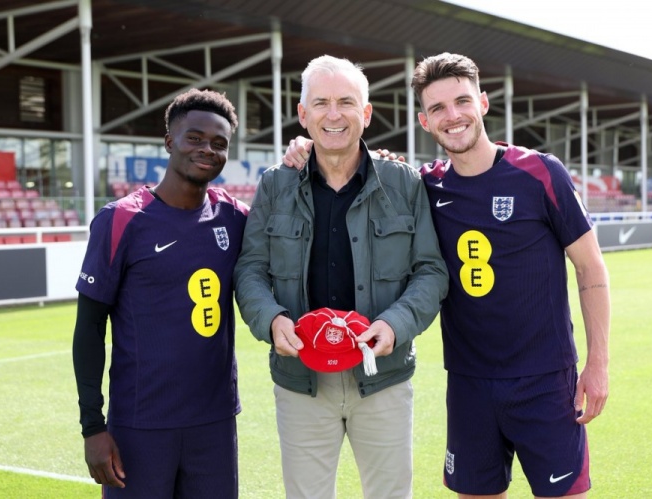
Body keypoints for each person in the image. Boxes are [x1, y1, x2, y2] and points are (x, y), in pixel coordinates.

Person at [283, 52, 611, 499]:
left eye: (462, 101)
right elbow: (365, 168)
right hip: (469, 384)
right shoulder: (424, 186)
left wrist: (598, 364)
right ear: (424, 121)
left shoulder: (539, 173)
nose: (452, 116)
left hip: (545, 380)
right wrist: (305, 148)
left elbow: (590, 268)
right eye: (437, 108)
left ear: (483, 103)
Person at [234, 55, 448, 499]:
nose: (334, 115)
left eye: (346, 102)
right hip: (301, 382)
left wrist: (396, 324)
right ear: (303, 114)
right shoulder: (275, 185)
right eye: (321, 103)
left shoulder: (404, 183)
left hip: (383, 376)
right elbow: (250, 268)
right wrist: (271, 319)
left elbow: (431, 271)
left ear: (366, 114)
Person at [72, 88, 248, 498]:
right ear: (170, 142)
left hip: (215, 423)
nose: (207, 150)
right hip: (140, 425)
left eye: (219, 143)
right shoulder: (121, 220)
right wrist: (93, 427)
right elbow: (89, 328)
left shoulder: (236, 217)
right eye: (195, 138)